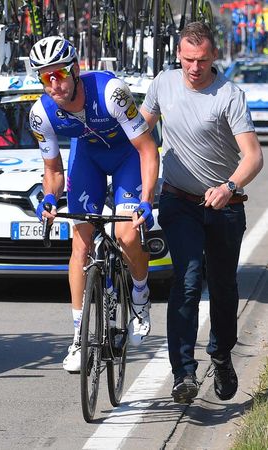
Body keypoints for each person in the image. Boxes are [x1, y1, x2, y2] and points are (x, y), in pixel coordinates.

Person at [140, 21, 263, 404]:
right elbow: (138, 133)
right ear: (178, 55)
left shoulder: (229, 95)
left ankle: (221, 355)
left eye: (203, 60)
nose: (195, 68)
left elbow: (253, 157)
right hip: (179, 201)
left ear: (214, 57)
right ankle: (184, 373)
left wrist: (229, 187)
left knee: (223, 286)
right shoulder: (163, 84)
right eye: (189, 59)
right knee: (189, 279)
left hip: (225, 206)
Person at [28, 36, 159, 372]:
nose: (54, 84)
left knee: (126, 235)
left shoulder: (111, 92)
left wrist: (146, 200)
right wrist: (49, 197)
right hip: (88, 160)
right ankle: (78, 338)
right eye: (45, 77)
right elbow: (53, 170)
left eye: (59, 74)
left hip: (127, 157)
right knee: (81, 245)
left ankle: (140, 295)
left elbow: (147, 149)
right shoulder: (41, 113)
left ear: (75, 69)